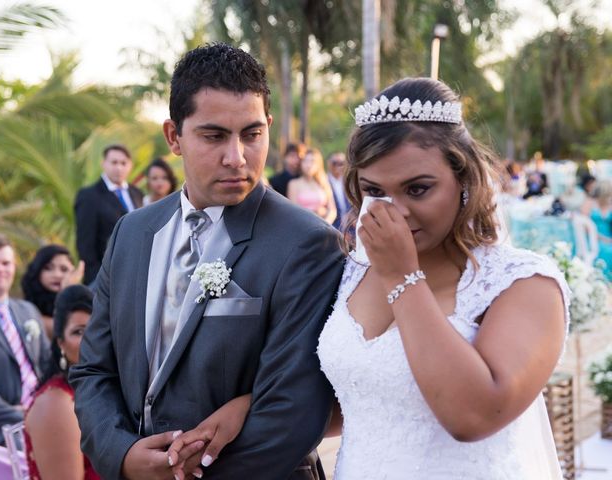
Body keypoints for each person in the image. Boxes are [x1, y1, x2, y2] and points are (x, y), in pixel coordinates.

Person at [194, 78, 571, 479]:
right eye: (376, 190)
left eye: (418, 189)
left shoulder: (525, 285)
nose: (397, 212)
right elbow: (360, 395)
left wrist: (402, 277)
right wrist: (251, 408)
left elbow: (473, 416)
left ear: (464, 180)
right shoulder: (352, 273)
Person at [69, 43, 343, 480]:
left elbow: (295, 408)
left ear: (269, 127)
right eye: (214, 136)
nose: (236, 157)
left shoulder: (308, 245)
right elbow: (94, 370)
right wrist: (121, 456)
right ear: (174, 137)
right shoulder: (131, 233)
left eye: (252, 135)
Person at [0, 233, 49, 445]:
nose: (0, 269)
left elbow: (48, 366)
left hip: (47, 419)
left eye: (6, 263)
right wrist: (23, 416)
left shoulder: (28, 311)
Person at [24, 285, 100, 480]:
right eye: (79, 332)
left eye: (96, 329)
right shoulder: (56, 404)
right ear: (60, 343)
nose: (90, 340)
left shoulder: (100, 388)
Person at [74, 144, 144, 285]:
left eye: (123, 163)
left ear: (130, 166)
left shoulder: (136, 193)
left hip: (136, 273)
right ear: (104, 164)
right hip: (104, 276)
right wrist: (96, 279)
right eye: (114, 162)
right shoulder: (89, 196)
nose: (119, 168)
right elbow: (85, 243)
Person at [21, 245, 84, 340]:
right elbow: (65, 331)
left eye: (64, 269)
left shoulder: (84, 302)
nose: (57, 275)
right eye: (48, 268)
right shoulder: (25, 308)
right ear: (37, 271)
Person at [287, 148, 337, 224]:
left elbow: (332, 210)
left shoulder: (324, 183)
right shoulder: (293, 184)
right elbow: (293, 211)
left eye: (312, 161)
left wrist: (326, 223)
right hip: (303, 226)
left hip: (323, 226)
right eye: (306, 161)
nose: (309, 165)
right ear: (301, 163)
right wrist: (314, 212)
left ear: (318, 164)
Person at [581, 180, 612, 279]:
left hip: (609, 238)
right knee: (607, 250)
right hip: (592, 238)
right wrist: (601, 238)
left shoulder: (610, 205)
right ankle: (601, 280)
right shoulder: (589, 203)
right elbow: (583, 225)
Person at [327, 152, 351, 229]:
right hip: (332, 225)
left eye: (342, 163)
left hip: (351, 225)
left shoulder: (349, 181)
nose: (338, 166)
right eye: (334, 163)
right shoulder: (324, 181)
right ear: (328, 163)